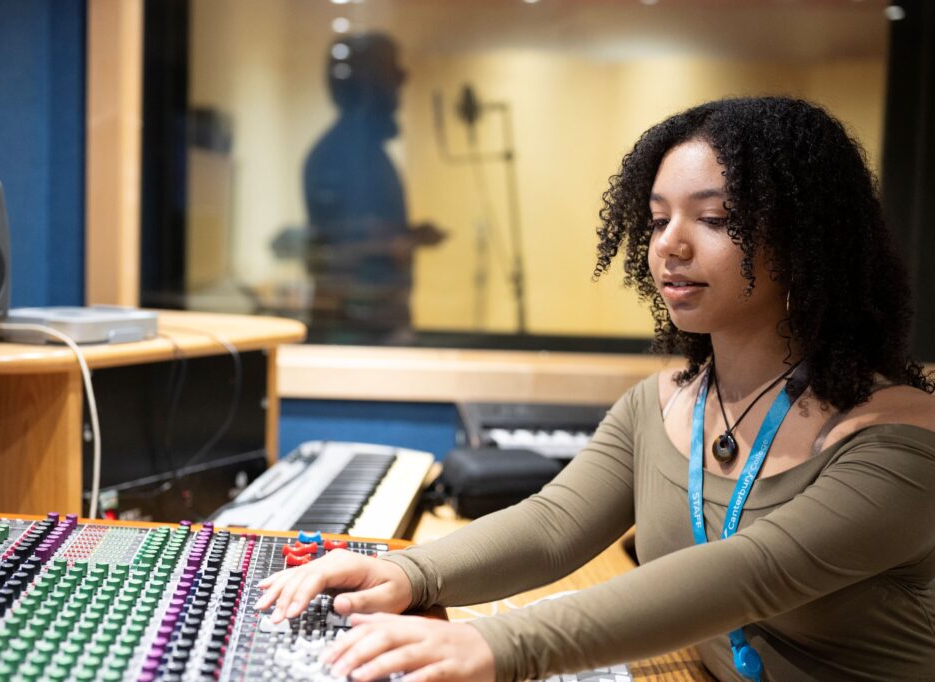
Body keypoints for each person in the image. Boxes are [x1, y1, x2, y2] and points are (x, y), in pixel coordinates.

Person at [258, 97, 935, 681]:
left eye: (714, 218)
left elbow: (752, 571)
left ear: (809, 241)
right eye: (659, 218)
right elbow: (553, 525)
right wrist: (410, 574)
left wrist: (497, 645)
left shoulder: (900, 443)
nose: (670, 245)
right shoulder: (662, 403)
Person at [303, 32, 446, 342]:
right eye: (392, 76)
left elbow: (363, 236)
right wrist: (402, 241)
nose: (400, 86)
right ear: (370, 86)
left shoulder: (363, 152)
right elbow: (343, 251)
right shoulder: (343, 154)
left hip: (373, 329)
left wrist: (408, 236)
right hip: (358, 335)